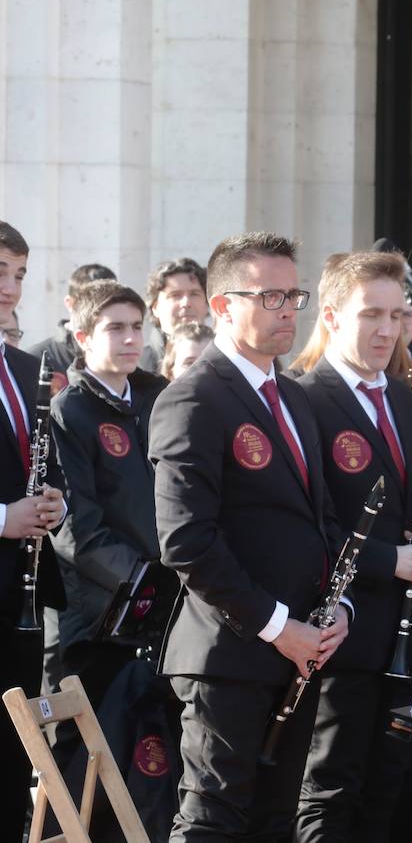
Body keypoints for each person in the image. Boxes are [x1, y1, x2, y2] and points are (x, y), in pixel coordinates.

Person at [149, 232, 350, 841]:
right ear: (221, 306)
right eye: (270, 296)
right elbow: (186, 541)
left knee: (275, 821)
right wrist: (277, 626)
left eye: (294, 294)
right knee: (213, 821)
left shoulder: (292, 394)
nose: (289, 308)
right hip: (230, 656)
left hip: (302, 651)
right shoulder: (193, 399)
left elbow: (324, 520)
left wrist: (340, 606)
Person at [291, 251, 412, 842]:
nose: (387, 329)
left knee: (391, 787)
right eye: (371, 315)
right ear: (331, 317)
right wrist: (391, 562)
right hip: (343, 628)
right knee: (331, 789)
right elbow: (309, 523)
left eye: (396, 314)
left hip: (410, 632)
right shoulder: (305, 398)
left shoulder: (409, 401)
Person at [48, 282, 169, 720]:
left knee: (155, 753)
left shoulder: (160, 399)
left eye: (138, 327)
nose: (132, 339)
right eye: (115, 328)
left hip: (164, 606)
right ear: (82, 337)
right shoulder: (68, 411)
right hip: (99, 616)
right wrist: (148, 583)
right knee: (87, 752)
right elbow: (76, 530)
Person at [0, 221, 68, 842]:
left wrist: (53, 507)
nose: (10, 287)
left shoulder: (27, 369)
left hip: (21, 599)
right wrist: (3, 519)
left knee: (11, 759)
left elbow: (49, 468)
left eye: (19, 273)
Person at [29, 263, 117, 391]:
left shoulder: (124, 356)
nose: (102, 313)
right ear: (69, 303)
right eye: (92, 304)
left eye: (111, 304)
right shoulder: (35, 359)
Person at [140, 258, 210, 373]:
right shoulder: (137, 367)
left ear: (207, 303)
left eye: (194, 294)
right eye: (175, 295)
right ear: (155, 307)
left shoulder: (226, 358)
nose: (186, 303)